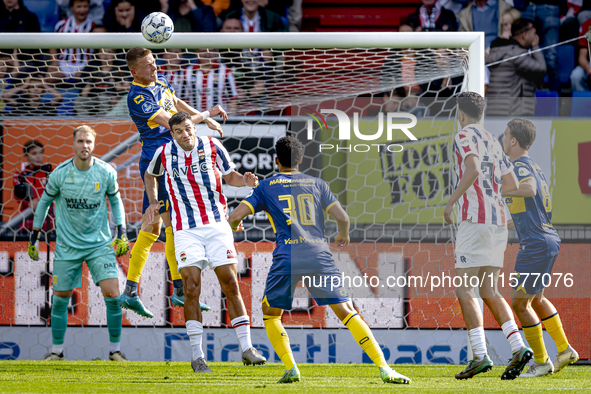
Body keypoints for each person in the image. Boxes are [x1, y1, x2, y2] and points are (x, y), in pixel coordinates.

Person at [228, 136, 412, 385]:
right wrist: (343, 235)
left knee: (270, 314)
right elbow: (343, 218)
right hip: (318, 255)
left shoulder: (266, 187)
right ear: (301, 160)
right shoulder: (317, 184)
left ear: (275, 161)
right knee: (347, 312)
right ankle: (384, 368)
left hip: (288, 257)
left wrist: (236, 223)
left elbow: (234, 216)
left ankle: (291, 367)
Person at [144, 111, 266, 372]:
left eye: (188, 129)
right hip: (185, 229)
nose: (185, 134)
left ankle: (247, 349)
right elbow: (150, 174)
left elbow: (229, 175)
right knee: (190, 286)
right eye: (179, 131)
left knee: (230, 282)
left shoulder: (212, 145)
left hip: (216, 225)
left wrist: (244, 181)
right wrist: (153, 201)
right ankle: (197, 356)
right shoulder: (164, 153)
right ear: (173, 133)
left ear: (194, 128)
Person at [118, 47, 226, 317]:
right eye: (147, 65)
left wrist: (204, 116)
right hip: (158, 161)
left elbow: (175, 103)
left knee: (157, 225)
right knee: (165, 226)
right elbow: (172, 123)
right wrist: (206, 114)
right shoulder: (138, 97)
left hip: (171, 159)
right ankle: (170, 290)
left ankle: (135, 291)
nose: (154, 67)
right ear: (134, 71)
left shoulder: (160, 81)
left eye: (154, 62)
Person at [443, 92, 532, 380]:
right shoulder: (494, 141)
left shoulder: (464, 135)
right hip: (498, 223)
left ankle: (480, 356)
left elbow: (470, 168)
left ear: (461, 114)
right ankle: (518, 347)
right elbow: (511, 184)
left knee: (465, 289)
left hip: (475, 222)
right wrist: (492, 195)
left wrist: (452, 201)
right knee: (488, 290)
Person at [28, 125, 129, 361]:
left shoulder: (105, 172)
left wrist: (121, 231)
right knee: (60, 298)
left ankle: (115, 351)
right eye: (81, 141)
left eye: (89, 142)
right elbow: (43, 203)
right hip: (67, 245)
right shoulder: (60, 173)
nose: (85, 146)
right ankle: (57, 352)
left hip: (99, 245)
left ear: (94, 145)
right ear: (73, 144)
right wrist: (35, 234)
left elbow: (116, 201)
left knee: (113, 295)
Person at [502, 118, 579, 377]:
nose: (503, 139)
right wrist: (505, 225)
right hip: (546, 240)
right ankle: (565, 349)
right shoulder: (534, 166)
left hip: (535, 245)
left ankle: (542, 361)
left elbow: (529, 189)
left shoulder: (519, 166)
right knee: (535, 299)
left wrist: (499, 190)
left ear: (514, 140)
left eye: (505, 135)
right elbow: (532, 208)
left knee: (520, 305)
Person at [486, 18, 547, 116]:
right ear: (525, 35)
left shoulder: (497, 51)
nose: (536, 37)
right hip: (512, 113)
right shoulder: (517, 55)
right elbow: (541, 68)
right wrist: (535, 47)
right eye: (534, 34)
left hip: (494, 111)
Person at [49, 0, 95, 83]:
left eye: (85, 6)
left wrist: (90, 67)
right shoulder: (61, 24)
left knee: (90, 79)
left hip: (85, 65)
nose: (82, 10)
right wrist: (54, 61)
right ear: (72, 8)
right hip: (64, 64)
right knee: (49, 77)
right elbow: (52, 44)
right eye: (79, 7)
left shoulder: (93, 26)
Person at [76, 48, 131, 116]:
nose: (105, 55)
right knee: (79, 100)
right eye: (102, 52)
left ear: (115, 54)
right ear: (97, 54)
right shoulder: (92, 69)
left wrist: (118, 88)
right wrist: (88, 87)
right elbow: (84, 92)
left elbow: (127, 87)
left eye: (109, 52)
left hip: (112, 99)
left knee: (103, 97)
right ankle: (85, 121)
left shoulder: (120, 69)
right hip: (94, 98)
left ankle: (102, 121)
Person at [13, 140, 54, 233]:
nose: (38, 156)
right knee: (28, 247)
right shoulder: (20, 175)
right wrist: (29, 203)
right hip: (27, 222)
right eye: (34, 153)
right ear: (26, 156)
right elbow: (17, 196)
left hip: (48, 223)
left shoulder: (52, 173)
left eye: (40, 153)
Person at [185, 49, 238, 114]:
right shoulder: (188, 71)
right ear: (197, 52)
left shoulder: (225, 71)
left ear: (216, 52)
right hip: (194, 119)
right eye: (203, 51)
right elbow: (184, 99)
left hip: (218, 119)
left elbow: (232, 99)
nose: (207, 54)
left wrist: (229, 119)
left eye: (211, 50)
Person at [570, 17, 591, 91]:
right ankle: (583, 101)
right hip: (590, 63)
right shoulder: (587, 26)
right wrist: (589, 69)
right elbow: (582, 57)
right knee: (576, 76)